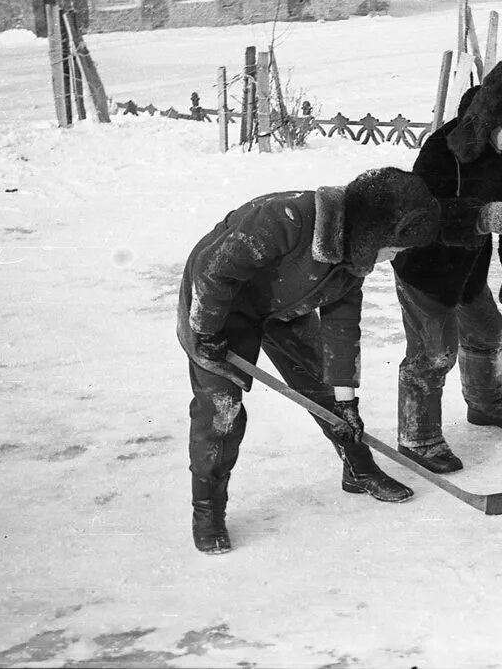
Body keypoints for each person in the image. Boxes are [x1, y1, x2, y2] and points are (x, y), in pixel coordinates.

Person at [177, 166, 442, 554]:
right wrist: (206, 330)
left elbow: (342, 329)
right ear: (373, 234)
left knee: (325, 389)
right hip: (219, 307)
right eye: (396, 248)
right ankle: (207, 509)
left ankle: (359, 469)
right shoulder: (285, 219)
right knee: (222, 410)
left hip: (286, 307)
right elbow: (214, 270)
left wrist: (347, 402)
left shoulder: (354, 258)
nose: (395, 257)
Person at [390, 59, 502, 474]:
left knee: (488, 332)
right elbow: (418, 215)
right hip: (424, 268)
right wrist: (478, 218)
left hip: (468, 267)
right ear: (491, 115)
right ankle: (418, 436)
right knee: (434, 354)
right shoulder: (443, 149)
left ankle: (486, 404)